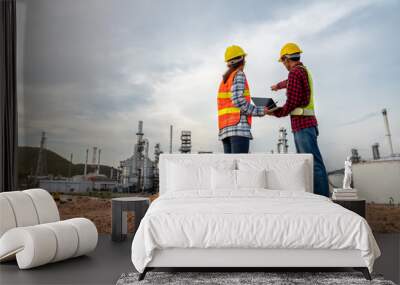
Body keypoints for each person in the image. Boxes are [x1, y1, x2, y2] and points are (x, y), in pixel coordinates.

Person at [268, 42, 329, 197]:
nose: (283, 65)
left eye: (283, 61)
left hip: (302, 125)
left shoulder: (294, 73)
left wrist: (274, 112)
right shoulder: (302, 71)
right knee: (311, 164)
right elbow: (290, 83)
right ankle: (318, 197)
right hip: (307, 125)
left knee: (312, 165)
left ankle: (321, 200)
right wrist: (278, 86)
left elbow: (291, 103)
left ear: (287, 59)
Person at [217, 45, 268, 153]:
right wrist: (260, 110)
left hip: (225, 130)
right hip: (238, 128)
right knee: (239, 167)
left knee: (231, 168)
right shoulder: (238, 74)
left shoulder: (225, 80)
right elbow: (238, 101)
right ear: (242, 60)